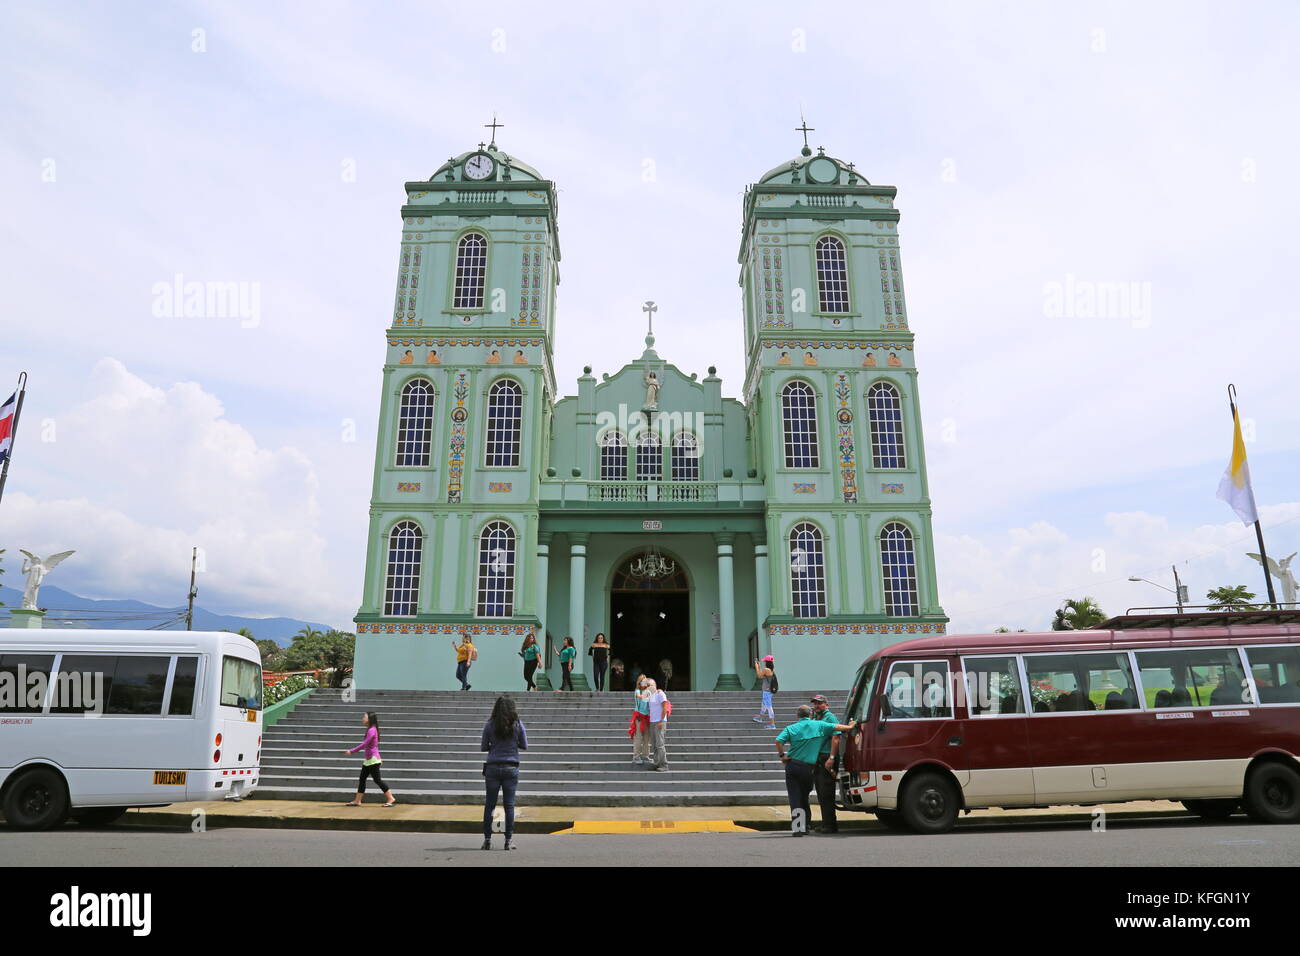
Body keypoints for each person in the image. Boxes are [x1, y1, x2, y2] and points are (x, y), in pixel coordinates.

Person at [773, 705, 853, 835]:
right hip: (808, 768)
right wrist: (851, 726)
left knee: (795, 798)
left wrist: (782, 755)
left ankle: (800, 828)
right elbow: (839, 728)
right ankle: (806, 824)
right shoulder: (819, 725)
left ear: (797, 716)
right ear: (810, 714)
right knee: (804, 797)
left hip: (793, 766)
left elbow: (778, 741)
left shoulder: (791, 728)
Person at [480, 696, 528, 851]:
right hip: (511, 767)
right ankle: (508, 841)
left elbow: (483, 747)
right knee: (509, 806)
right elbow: (524, 745)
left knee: (490, 805)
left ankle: (487, 840)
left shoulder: (489, 725)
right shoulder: (518, 724)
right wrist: (513, 743)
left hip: (493, 768)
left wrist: (494, 746)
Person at [342, 712, 396, 807]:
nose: (362, 718)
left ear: (370, 719)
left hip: (373, 760)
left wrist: (352, 751)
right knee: (362, 779)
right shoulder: (371, 729)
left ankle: (391, 798)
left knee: (377, 780)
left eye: (364, 717)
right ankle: (357, 800)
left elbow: (365, 744)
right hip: (368, 760)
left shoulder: (372, 730)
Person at [810, 694, 844, 834]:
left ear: (826, 704)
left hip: (826, 758)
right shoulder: (817, 718)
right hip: (818, 759)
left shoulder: (830, 717)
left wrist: (831, 758)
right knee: (821, 793)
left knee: (826, 793)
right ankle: (826, 823)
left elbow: (836, 738)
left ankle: (830, 825)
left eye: (820, 703)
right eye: (815, 703)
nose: (817, 705)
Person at [645, 678, 671, 771]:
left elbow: (665, 706)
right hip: (652, 722)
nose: (648, 687)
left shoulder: (660, 694)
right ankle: (656, 763)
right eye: (647, 685)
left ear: (655, 685)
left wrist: (661, 720)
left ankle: (664, 765)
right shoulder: (649, 696)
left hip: (660, 721)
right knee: (654, 744)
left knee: (660, 744)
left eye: (650, 685)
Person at [629, 674, 652, 765]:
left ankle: (646, 756)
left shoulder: (648, 692)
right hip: (639, 717)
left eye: (646, 681)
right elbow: (639, 696)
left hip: (647, 717)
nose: (645, 683)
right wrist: (644, 696)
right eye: (643, 681)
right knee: (638, 738)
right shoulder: (637, 691)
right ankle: (636, 757)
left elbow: (650, 703)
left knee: (647, 738)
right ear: (639, 683)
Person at [752, 656, 777, 729]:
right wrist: (759, 667)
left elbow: (759, 676)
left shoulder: (766, 669)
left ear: (767, 662)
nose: (764, 663)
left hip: (767, 691)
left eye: (765, 661)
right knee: (764, 705)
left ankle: (772, 724)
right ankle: (760, 717)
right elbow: (762, 675)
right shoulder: (771, 670)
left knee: (769, 707)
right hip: (768, 691)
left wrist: (756, 666)